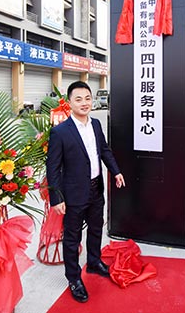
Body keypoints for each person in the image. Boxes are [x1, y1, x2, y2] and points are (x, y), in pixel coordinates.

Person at [46, 81, 126, 303]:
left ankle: (94, 261)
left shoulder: (96, 125)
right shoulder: (60, 132)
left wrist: (116, 171)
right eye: (78, 99)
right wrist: (56, 198)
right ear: (69, 103)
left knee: (96, 228)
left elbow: (104, 151)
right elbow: (52, 167)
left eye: (87, 98)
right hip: (73, 194)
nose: (84, 103)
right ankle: (73, 278)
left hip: (96, 189)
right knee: (72, 238)